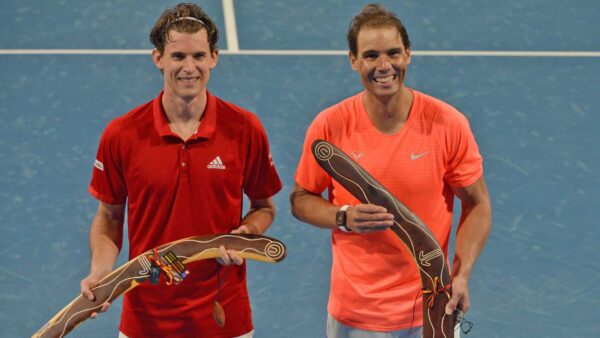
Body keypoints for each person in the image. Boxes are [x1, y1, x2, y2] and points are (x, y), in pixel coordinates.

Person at [79, 3, 282, 338]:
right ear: (158, 58)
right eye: (178, 57)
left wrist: (245, 234)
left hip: (224, 318)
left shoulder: (245, 129)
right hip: (146, 320)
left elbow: (263, 207)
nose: (190, 68)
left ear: (214, 57)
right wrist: (103, 271)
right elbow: (110, 217)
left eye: (199, 56)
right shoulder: (122, 134)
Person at [290, 4, 492, 338]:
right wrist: (343, 217)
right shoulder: (330, 125)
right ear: (353, 60)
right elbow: (301, 199)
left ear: (408, 54)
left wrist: (462, 273)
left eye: (393, 53)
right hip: (356, 315)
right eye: (371, 56)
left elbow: (479, 204)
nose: (384, 67)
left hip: (433, 307)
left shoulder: (448, 124)